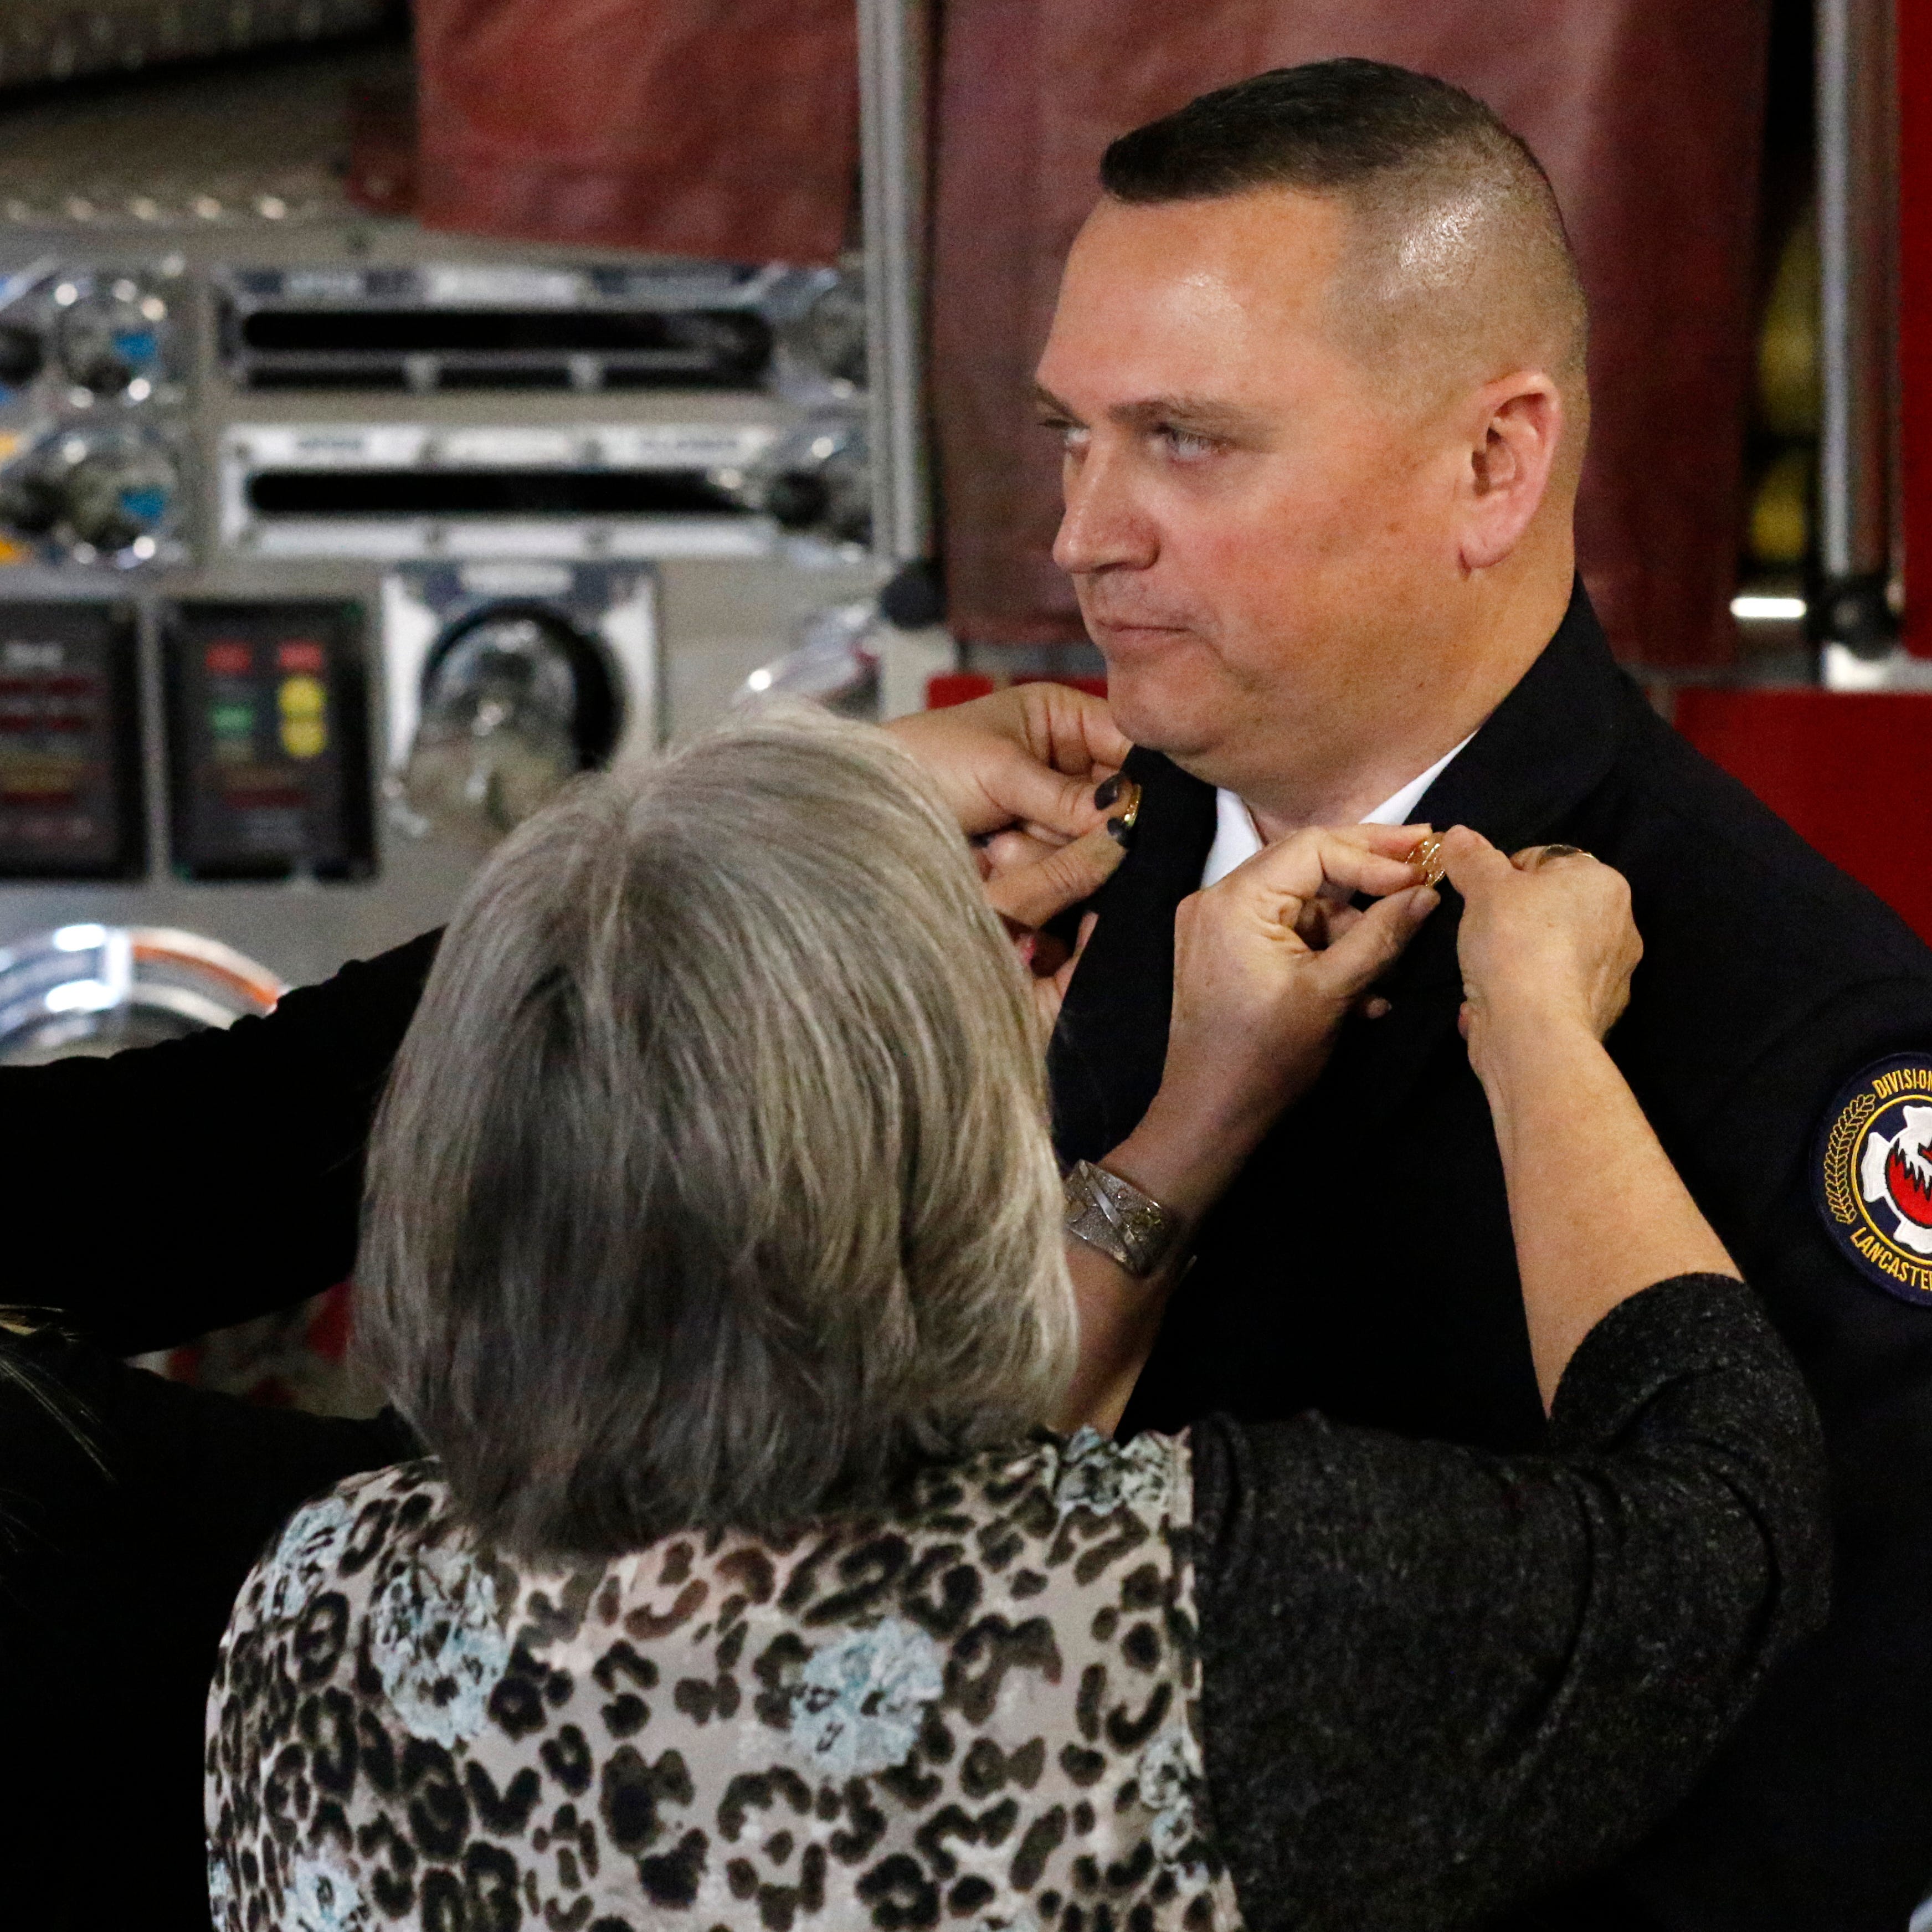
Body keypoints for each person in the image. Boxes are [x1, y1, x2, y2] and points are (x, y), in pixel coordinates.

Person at [189, 708, 1826, 1932]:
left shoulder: (309, 1612)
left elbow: (860, 1515)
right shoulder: (1165, 1624)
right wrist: (1539, 1030)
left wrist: (1202, 1109)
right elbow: (1719, 1539)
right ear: (944, 1165)